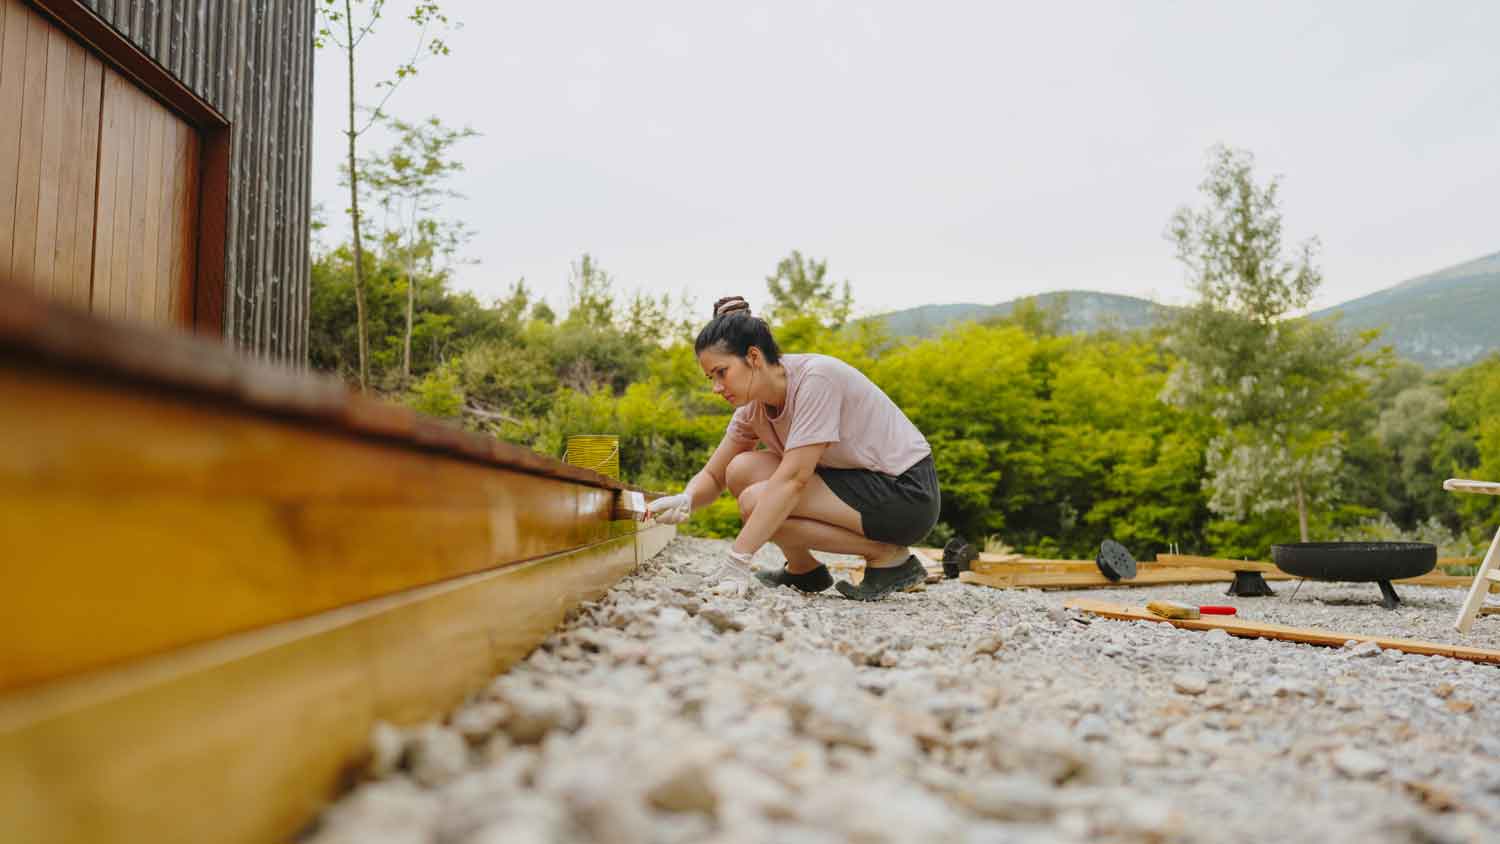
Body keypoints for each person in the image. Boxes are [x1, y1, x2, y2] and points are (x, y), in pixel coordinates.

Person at [647, 295, 941, 601]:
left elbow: (793, 480)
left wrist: (737, 562)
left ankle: (887, 558)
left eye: (722, 372)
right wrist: (686, 499)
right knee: (740, 470)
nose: (716, 387)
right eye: (710, 377)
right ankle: (804, 570)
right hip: (856, 483)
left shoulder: (816, 380)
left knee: (755, 501)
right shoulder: (752, 408)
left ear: (754, 357)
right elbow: (715, 475)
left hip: (907, 494)